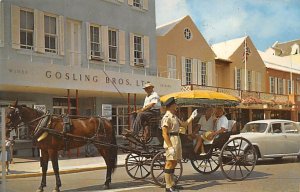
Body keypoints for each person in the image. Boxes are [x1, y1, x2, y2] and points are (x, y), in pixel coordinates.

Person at [161, 97, 197, 192]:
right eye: (175, 104)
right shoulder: (167, 117)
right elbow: (164, 133)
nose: (176, 106)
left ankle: (172, 183)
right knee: (169, 163)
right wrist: (170, 147)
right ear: (171, 105)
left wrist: (192, 117)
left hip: (177, 140)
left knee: (174, 162)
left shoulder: (174, 116)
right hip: (171, 140)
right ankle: (168, 186)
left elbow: (184, 124)